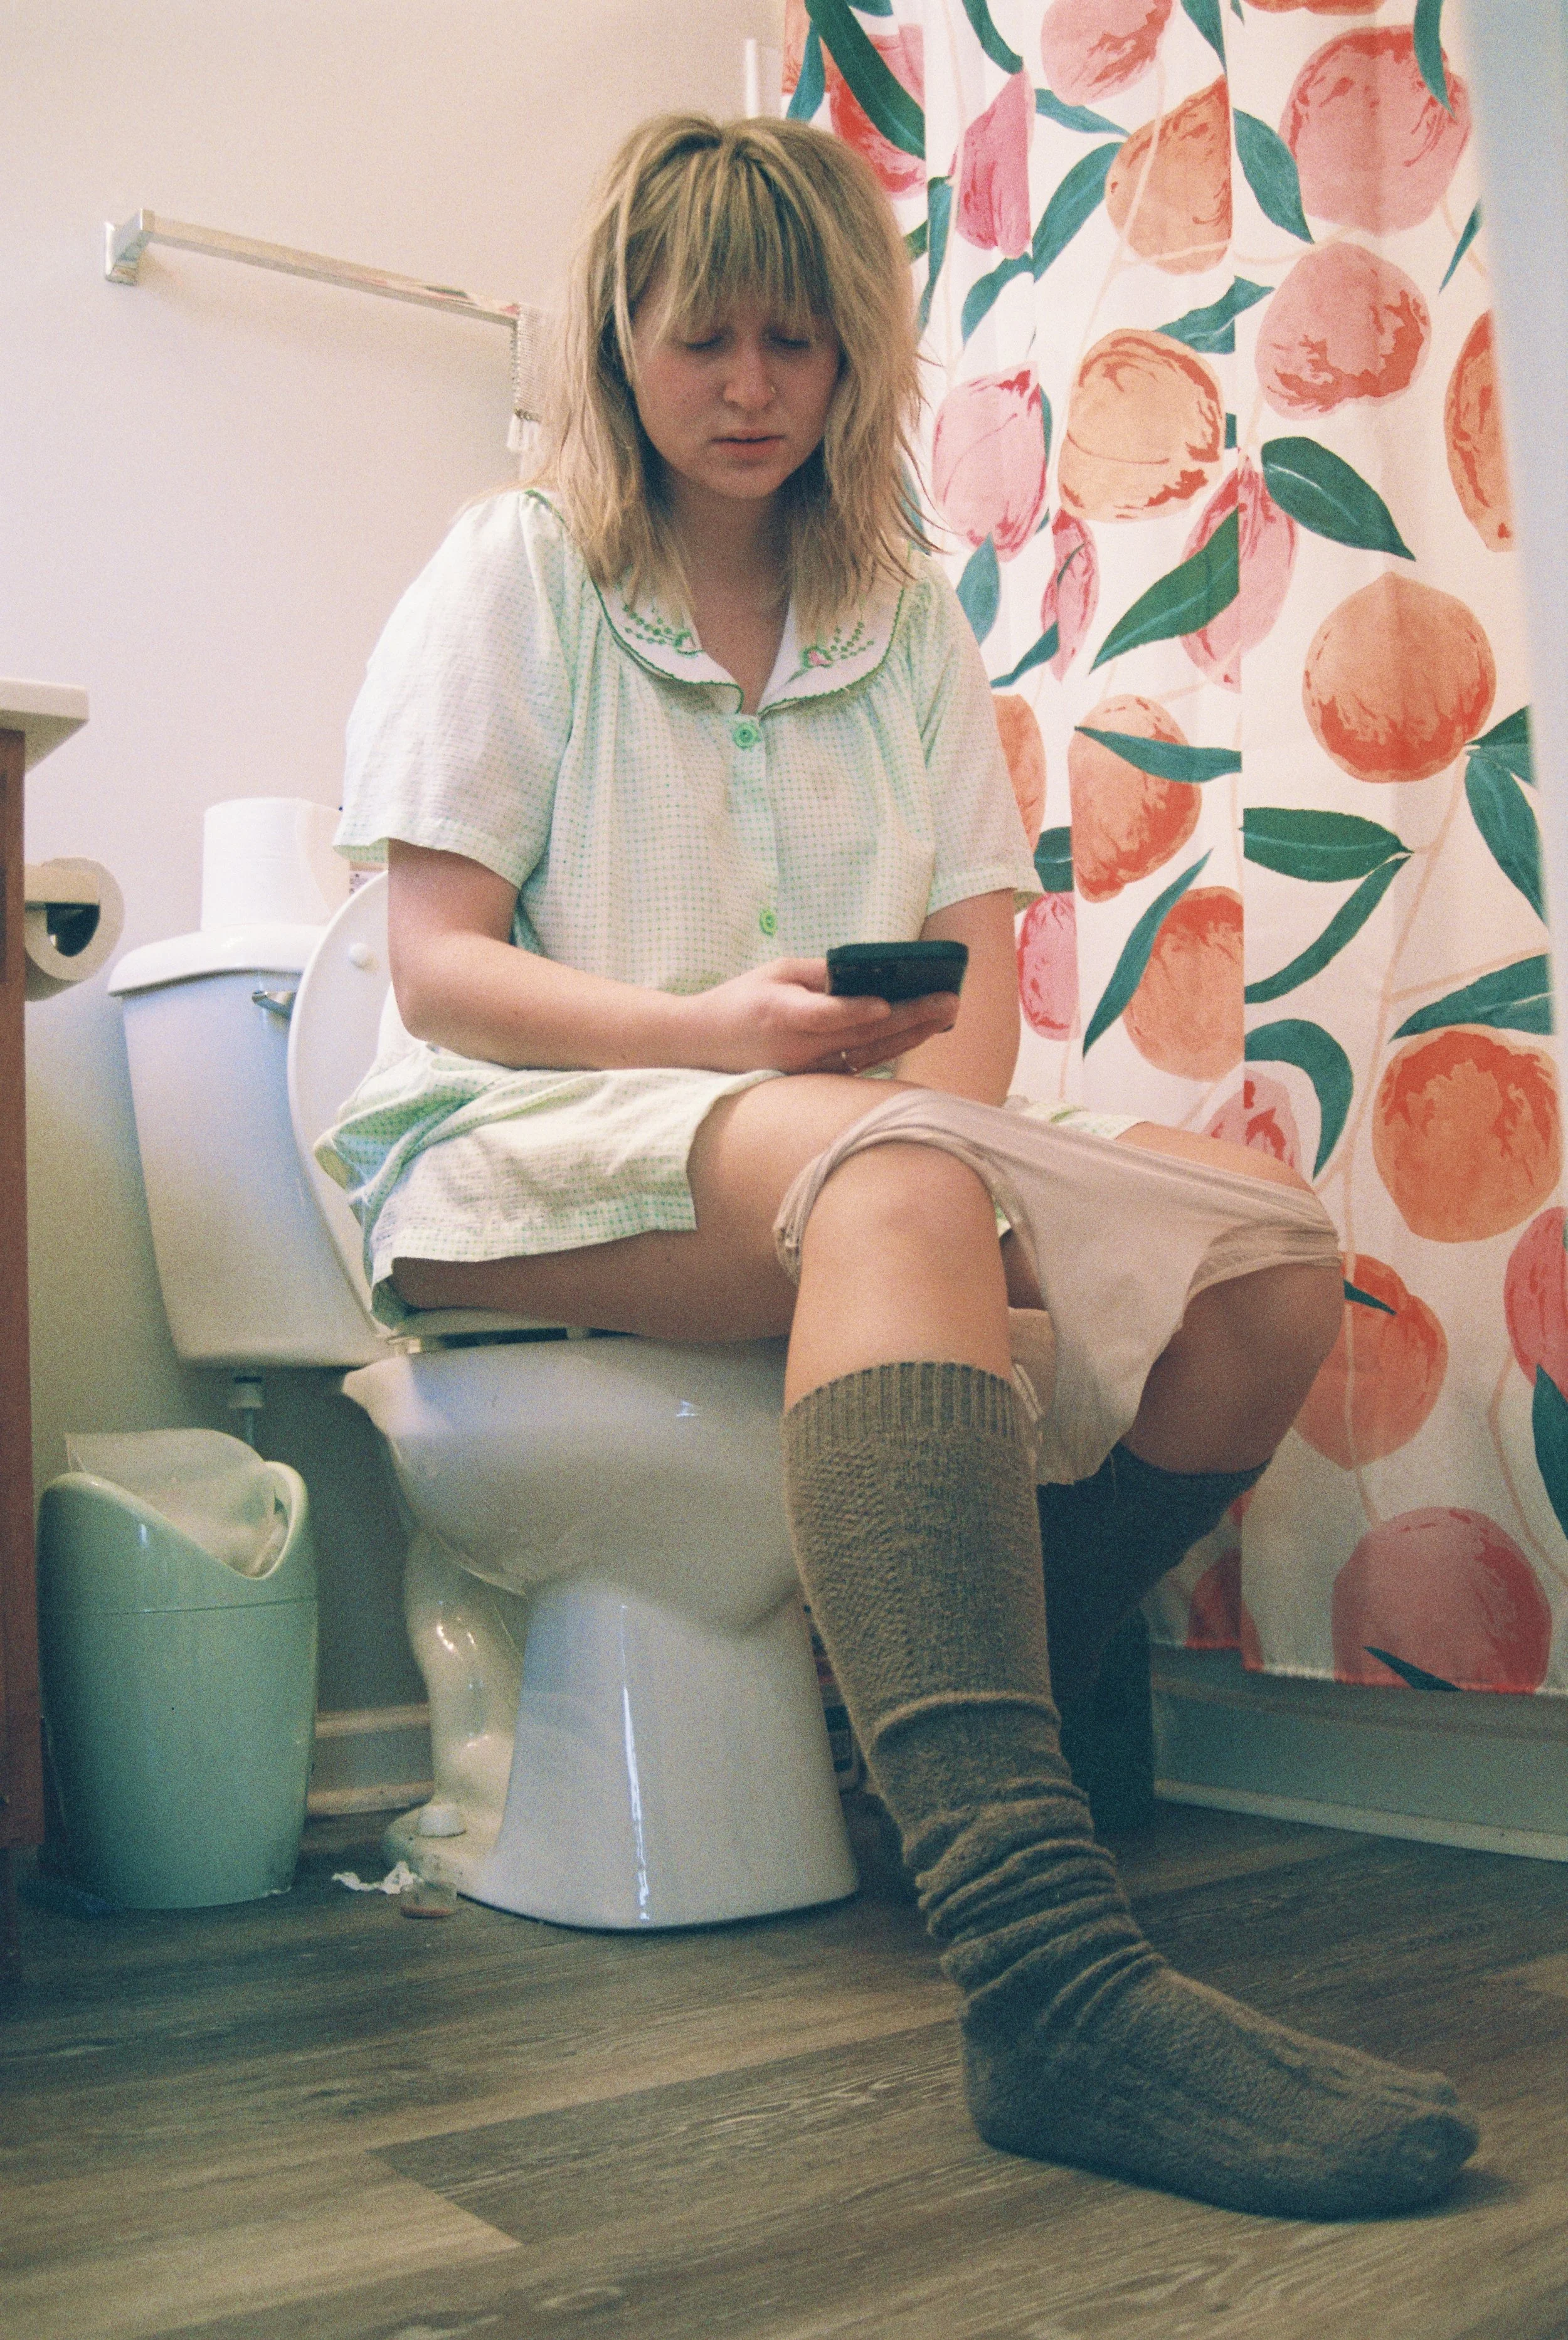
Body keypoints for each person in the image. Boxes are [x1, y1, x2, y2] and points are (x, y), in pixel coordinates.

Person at [319, 113, 1478, 2218]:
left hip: (845, 1146)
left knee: (1259, 1270)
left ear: (853, 361)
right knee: (907, 1184)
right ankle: (1044, 1969)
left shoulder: (897, 619)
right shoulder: (519, 572)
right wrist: (724, 1038)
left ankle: (928, 1727)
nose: (749, 390)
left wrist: (961, 1147)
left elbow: (967, 988)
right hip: (518, 1148)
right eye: (701, 344)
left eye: (794, 344)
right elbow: (436, 971)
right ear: (616, 343)